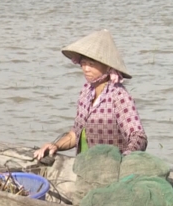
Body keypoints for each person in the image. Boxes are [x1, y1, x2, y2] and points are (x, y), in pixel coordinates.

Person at [33, 29, 147, 161]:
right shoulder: (86, 91)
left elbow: (138, 136)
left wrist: (124, 158)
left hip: (111, 167)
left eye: (92, 64)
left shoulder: (119, 96)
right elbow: (74, 135)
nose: (86, 69)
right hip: (85, 165)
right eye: (84, 63)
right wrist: (55, 145)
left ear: (108, 67)